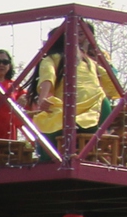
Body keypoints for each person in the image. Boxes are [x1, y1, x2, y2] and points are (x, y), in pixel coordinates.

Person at [27, 19, 121, 156]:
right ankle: (84, 156)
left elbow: (47, 78)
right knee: (83, 138)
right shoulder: (88, 61)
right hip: (99, 106)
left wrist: (42, 98)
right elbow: (113, 84)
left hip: (71, 111)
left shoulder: (52, 59)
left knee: (48, 130)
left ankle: (49, 161)